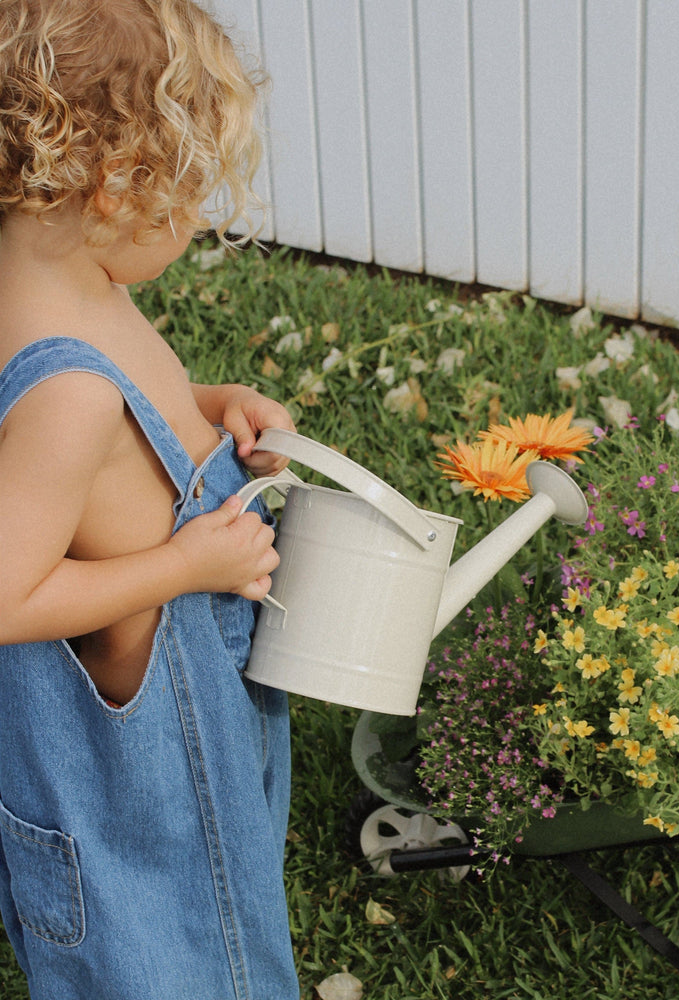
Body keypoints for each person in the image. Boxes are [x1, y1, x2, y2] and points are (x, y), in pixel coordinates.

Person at [0, 1, 301, 996]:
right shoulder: (67, 393)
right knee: (176, 947)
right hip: (135, 758)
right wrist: (186, 565)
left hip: (189, 701)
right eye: (189, 190)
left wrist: (210, 406)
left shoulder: (69, 286)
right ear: (117, 183)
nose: (198, 216)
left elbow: (121, 421)